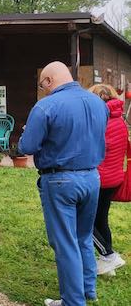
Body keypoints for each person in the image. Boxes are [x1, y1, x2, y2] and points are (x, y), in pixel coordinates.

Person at [19, 61, 108, 306]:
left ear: (49, 81)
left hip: (60, 179)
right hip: (92, 176)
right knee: (84, 237)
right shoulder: (98, 103)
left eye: (42, 85)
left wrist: (30, 132)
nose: (43, 89)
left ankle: (72, 301)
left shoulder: (46, 106)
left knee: (66, 243)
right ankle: (89, 290)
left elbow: (26, 147)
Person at [87, 84, 127, 276]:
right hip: (114, 178)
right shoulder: (119, 120)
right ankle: (107, 265)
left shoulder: (100, 120)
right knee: (101, 220)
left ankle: (109, 255)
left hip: (99, 179)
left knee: (84, 222)